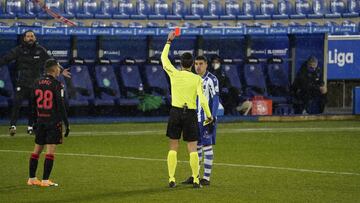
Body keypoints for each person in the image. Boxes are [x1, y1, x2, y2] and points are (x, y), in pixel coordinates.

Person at [161, 31, 213, 188]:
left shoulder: (174, 74)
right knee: (192, 148)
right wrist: (209, 115)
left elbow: (163, 60)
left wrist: (169, 41)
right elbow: (202, 99)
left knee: (173, 146)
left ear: (180, 64)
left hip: (175, 112)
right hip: (190, 113)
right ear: (191, 65)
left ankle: (171, 178)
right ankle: (196, 179)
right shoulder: (197, 78)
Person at [0, 30, 71, 136]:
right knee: (17, 104)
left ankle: (30, 127)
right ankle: (13, 125)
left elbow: (51, 61)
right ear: (24, 38)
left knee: (33, 106)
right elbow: (6, 59)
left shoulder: (40, 50)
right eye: (28, 36)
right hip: (22, 82)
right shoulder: (18, 50)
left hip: (36, 83)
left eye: (32, 36)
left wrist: (61, 70)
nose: (30, 38)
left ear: (35, 38)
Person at [27, 59, 70, 187]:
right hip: (53, 121)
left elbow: (32, 104)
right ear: (53, 69)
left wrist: (32, 122)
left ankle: (32, 178)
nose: (59, 70)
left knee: (36, 151)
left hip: (40, 121)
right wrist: (67, 123)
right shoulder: (57, 84)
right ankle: (45, 180)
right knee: (50, 151)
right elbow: (61, 105)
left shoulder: (36, 82)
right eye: (58, 67)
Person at [182, 55, 219, 186]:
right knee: (195, 147)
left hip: (206, 119)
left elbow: (215, 99)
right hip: (193, 118)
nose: (198, 66)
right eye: (196, 64)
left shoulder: (211, 79)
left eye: (201, 64)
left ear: (206, 65)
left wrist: (212, 116)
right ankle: (194, 175)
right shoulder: (192, 78)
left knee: (206, 146)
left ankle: (206, 178)